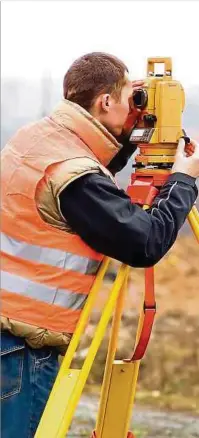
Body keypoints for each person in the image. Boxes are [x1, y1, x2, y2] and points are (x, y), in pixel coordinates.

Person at [1, 52, 199, 437]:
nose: (135, 108)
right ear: (105, 101)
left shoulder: (38, 138)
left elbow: (94, 171)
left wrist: (129, 134)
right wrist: (183, 180)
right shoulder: (74, 175)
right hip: (21, 350)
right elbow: (145, 243)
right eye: (130, 99)